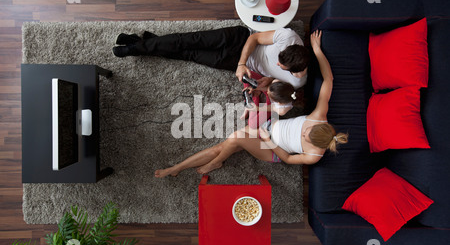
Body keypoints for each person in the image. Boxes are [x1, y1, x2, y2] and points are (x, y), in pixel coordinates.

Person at [154, 30, 348, 178]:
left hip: (271, 149)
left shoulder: (315, 155)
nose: (303, 133)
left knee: (236, 138)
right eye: (306, 130)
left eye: (305, 137)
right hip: (269, 126)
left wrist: (268, 139)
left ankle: (213, 164)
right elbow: (329, 79)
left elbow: (288, 158)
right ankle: (176, 168)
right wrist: (316, 49)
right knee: (223, 146)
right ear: (318, 125)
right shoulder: (319, 116)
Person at [113, 26, 309, 89]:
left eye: (280, 65)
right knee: (188, 41)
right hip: (240, 40)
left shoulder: (295, 82)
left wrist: (260, 85)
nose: (276, 63)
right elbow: (255, 37)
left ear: (293, 71)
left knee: (190, 54)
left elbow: (272, 80)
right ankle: (136, 47)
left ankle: (142, 42)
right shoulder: (289, 38)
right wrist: (242, 63)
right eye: (279, 58)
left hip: (236, 63)